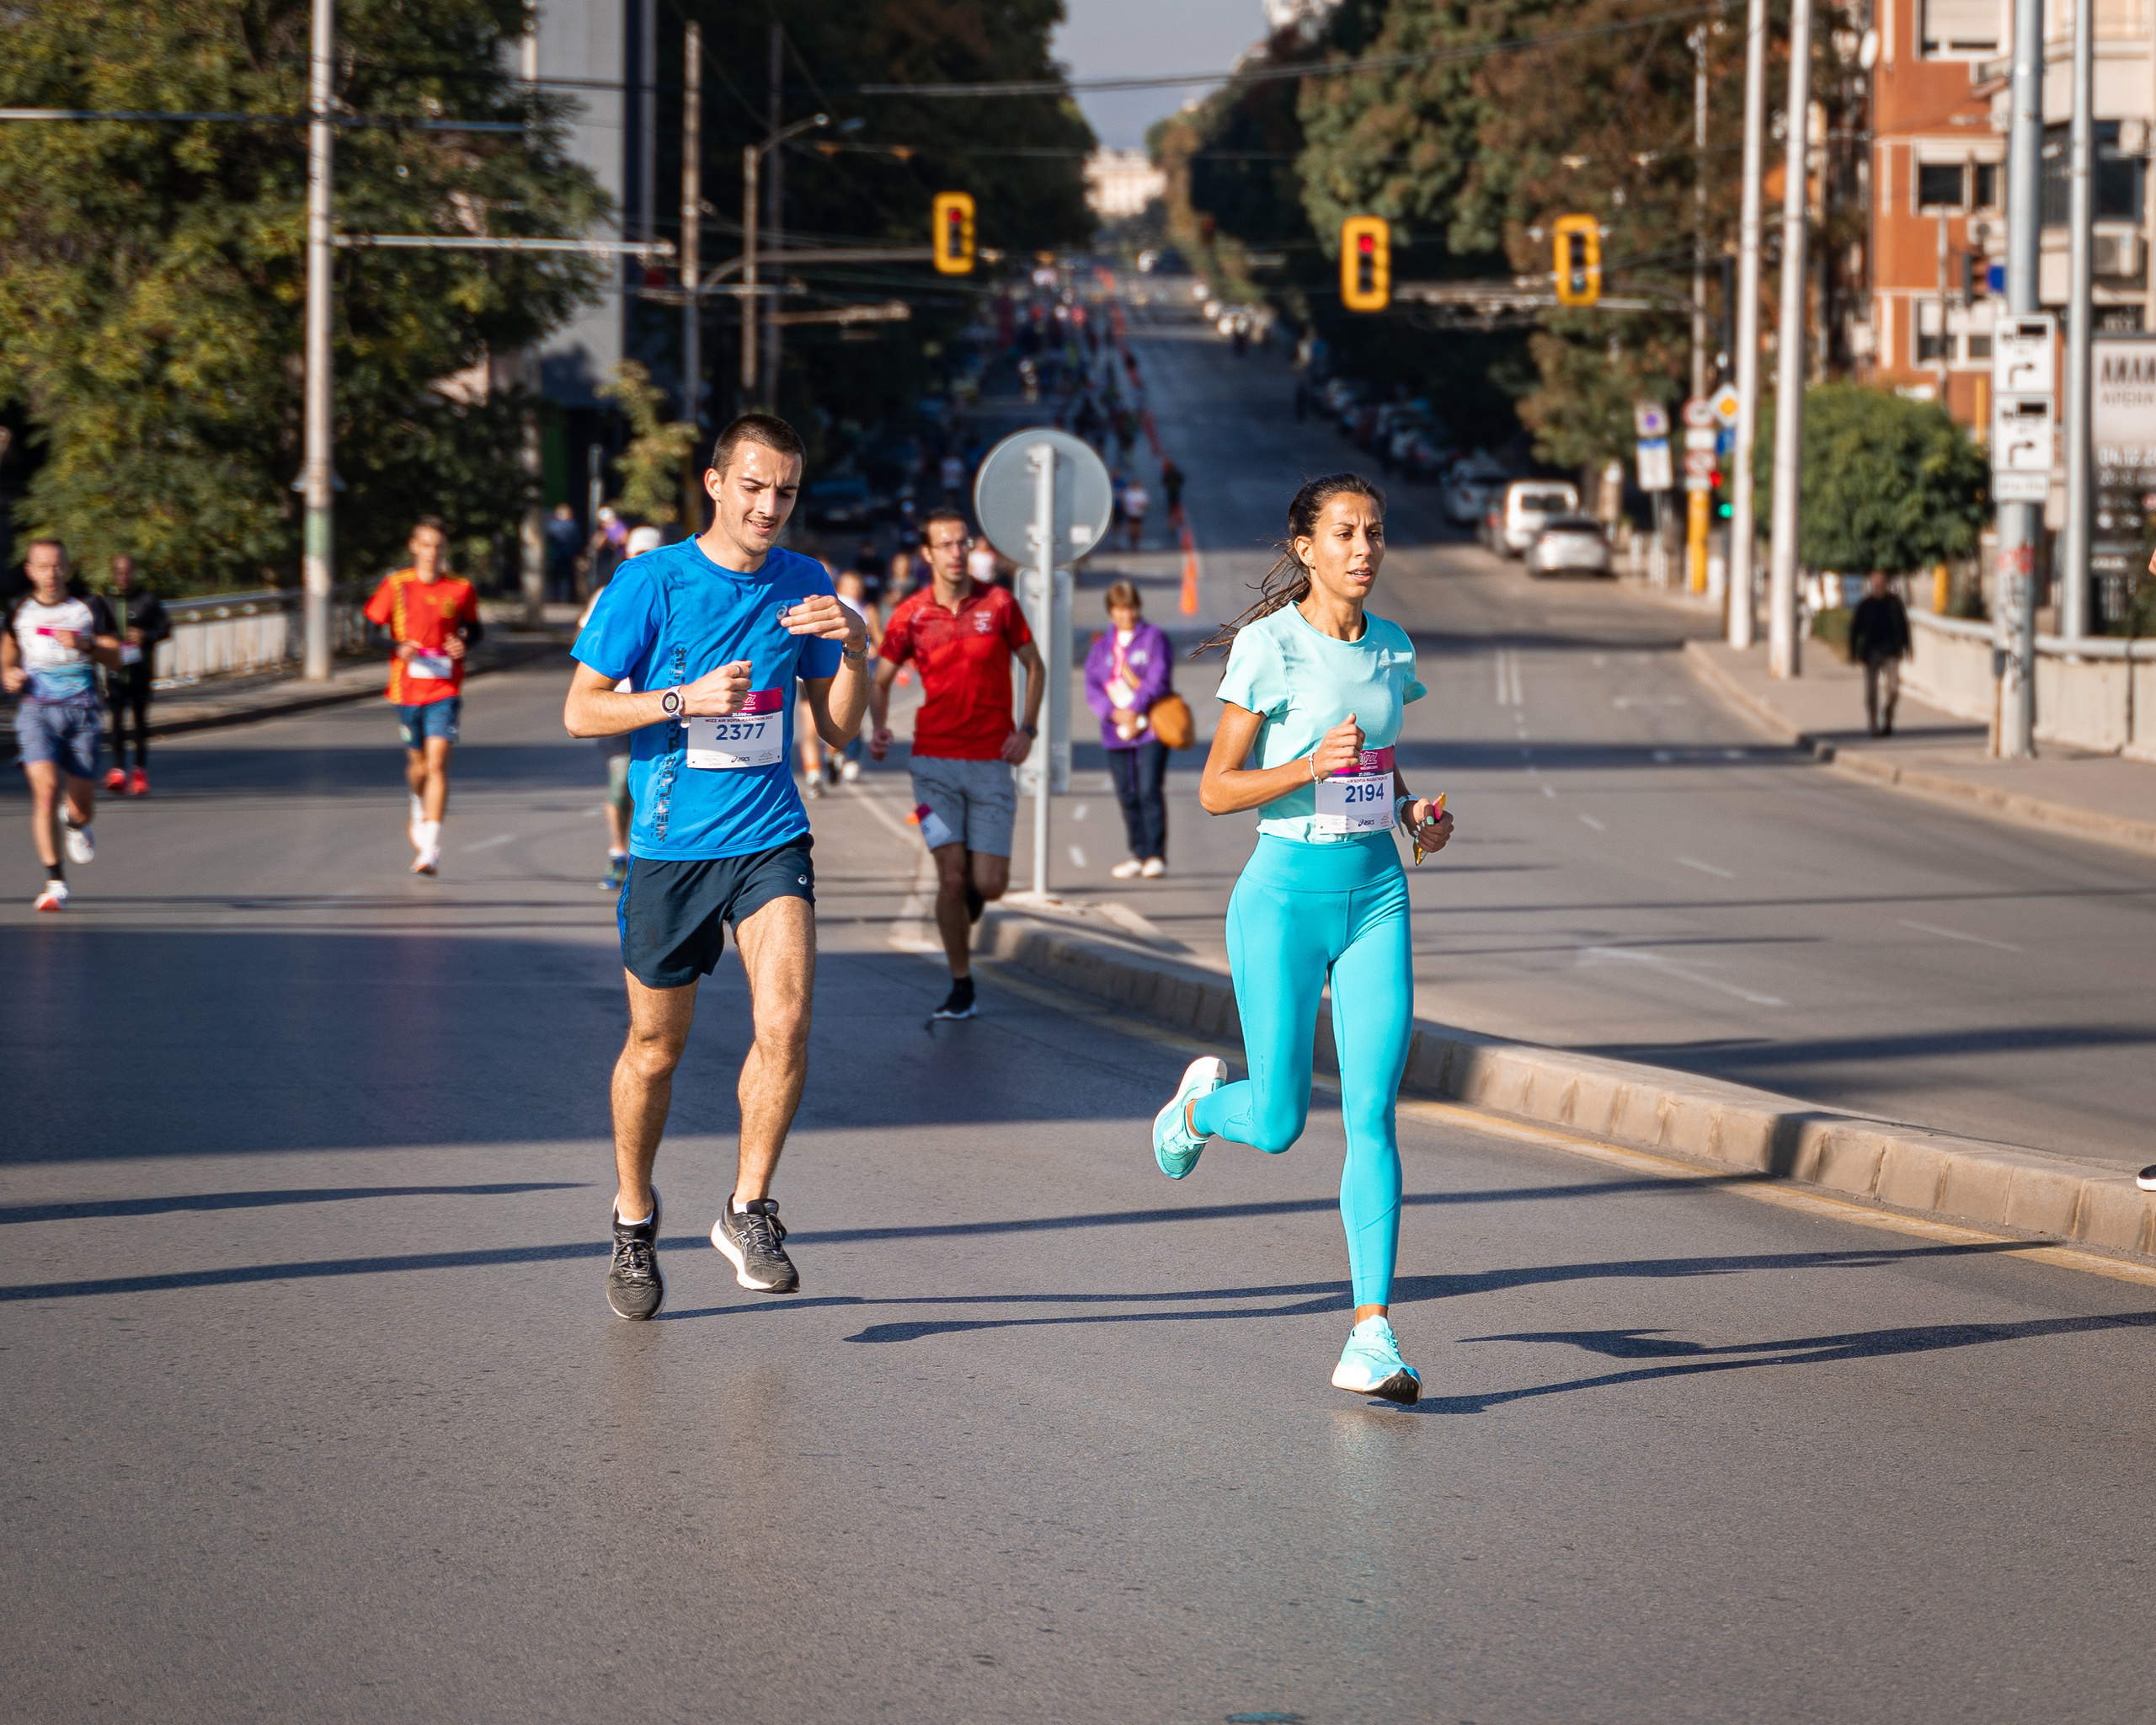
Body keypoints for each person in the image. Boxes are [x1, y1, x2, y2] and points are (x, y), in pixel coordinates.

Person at [1151, 473, 1453, 1406]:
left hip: (1375, 893)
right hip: (1282, 893)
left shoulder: (1393, 646)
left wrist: (1412, 814)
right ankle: (1199, 1109)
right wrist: (1306, 763)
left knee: (1373, 1109)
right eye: (1344, 533)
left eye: (1374, 531)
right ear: (1304, 545)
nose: (1364, 547)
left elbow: (1378, 758)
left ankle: (1370, 1330)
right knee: (1279, 1123)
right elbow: (1214, 787)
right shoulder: (1267, 645)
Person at [563, 413, 871, 1319]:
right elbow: (581, 711)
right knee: (656, 1050)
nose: (768, 505)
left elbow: (841, 725)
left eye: (784, 490)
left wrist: (855, 642)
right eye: (752, 485)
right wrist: (678, 698)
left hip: (769, 835)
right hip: (668, 851)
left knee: (787, 1017)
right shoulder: (649, 582)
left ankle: (748, 1207)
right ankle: (632, 1217)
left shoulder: (806, 581)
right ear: (714, 483)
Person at [868, 507, 1045, 1021]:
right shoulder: (912, 614)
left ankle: (971, 879)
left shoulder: (1000, 604)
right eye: (944, 544)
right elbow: (881, 679)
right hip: (931, 765)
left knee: (988, 885)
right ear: (927, 554)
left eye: (961, 543)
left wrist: (1027, 728)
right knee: (948, 877)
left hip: (991, 762)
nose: (955, 552)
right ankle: (960, 984)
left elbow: (1035, 667)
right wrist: (879, 727)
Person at [3, 539, 120, 911]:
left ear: (67, 568)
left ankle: (75, 824)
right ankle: (55, 881)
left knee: (81, 807)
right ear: (29, 570)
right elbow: (7, 650)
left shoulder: (90, 606)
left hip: (82, 713)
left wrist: (86, 646)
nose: (50, 574)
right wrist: (8, 673)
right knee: (46, 791)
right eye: (42, 567)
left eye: (56, 566)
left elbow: (120, 657)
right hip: (36, 712)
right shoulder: (18, 608)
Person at [364, 517, 482, 877]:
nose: (432, 553)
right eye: (426, 545)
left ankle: (430, 847)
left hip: (444, 689)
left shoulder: (460, 588)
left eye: (438, 547)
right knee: (418, 768)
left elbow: (475, 630)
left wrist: (463, 643)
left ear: (444, 550)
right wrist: (397, 646)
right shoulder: (396, 586)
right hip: (407, 690)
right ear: (413, 546)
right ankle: (417, 803)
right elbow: (370, 631)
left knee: (438, 764)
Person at [583, 527, 665, 890]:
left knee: (658, 786)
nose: (642, 559)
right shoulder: (609, 594)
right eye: (637, 553)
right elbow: (587, 647)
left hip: (663, 708)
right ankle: (619, 853)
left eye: (650, 552)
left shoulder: (674, 591)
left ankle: (653, 860)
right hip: (617, 706)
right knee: (620, 782)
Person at [1085, 581, 1173, 880]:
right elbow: (1093, 687)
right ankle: (1137, 852)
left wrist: (1135, 707)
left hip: (1150, 728)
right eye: (1121, 609)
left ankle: (1155, 854)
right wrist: (1113, 713)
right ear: (1111, 612)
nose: (1127, 614)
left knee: (1149, 789)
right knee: (1126, 792)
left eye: (1131, 607)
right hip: (1116, 732)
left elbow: (1158, 679)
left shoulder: (1153, 638)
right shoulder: (1102, 647)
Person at [102, 554, 169, 796]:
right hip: (116, 671)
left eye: (127, 572)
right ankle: (118, 771)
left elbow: (165, 628)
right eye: (119, 572)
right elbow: (97, 633)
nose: (123, 577)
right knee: (117, 723)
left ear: (135, 572)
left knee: (140, 724)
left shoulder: (147, 601)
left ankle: (139, 772)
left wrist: (145, 635)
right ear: (113, 573)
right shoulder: (107, 602)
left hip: (140, 672)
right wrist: (108, 643)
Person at [1848, 571, 1912, 738]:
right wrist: (1853, 653)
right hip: (1872, 653)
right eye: (1876, 583)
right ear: (1872, 584)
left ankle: (1888, 718)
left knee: (1894, 689)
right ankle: (1874, 725)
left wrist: (1909, 648)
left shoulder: (1894, 603)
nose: (1878, 586)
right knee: (1871, 692)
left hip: (1892, 652)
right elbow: (1855, 630)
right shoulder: (1865, 605)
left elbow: (1904, 625)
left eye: (1881, 582)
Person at [1122, 474, 1150, 550]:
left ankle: (1136, 539)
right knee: (1131, 526)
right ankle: (1132, 538)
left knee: (1138, 527)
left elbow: (1146, 503)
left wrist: (1143, 506)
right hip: (1131, 513)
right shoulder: (1128, 492)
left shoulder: (1142, 493)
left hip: (1139, 513)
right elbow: (1124, 501)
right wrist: (1125, 509)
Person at [1160, 458, 1186, 533]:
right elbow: (1181, 480)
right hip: (1176, 492)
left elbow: (1163, 482)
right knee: (1176, 506)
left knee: (1171, 508)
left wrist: (1168, 485)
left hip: (1170, 492)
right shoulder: (1176, 473)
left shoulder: (1167, 474)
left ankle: (1171, 523)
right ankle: (1178, 520)